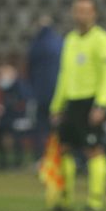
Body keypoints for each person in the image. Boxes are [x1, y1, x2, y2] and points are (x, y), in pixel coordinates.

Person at [49, 0, 106, 211]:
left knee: (93, 150)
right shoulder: (70, 39)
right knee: (64, 149)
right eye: (78, 10)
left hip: (91, 102)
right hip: (71, 101)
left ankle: (94, 203)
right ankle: (65, 202)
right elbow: (64, 74)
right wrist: (57, 105)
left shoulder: (102, 39)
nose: (82, 14)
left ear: (94, 14)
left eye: (86, 10)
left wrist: (101, 104)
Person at [27, 15, 64, 160]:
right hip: (59, 92)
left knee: (41, 128)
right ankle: (60, 157)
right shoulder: (60, 42)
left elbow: (30, 69)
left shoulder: (36, 44)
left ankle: (42, 158)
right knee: (59, 126)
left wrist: (33, 88)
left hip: (40, 93)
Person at [0, 64, 32, 170]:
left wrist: (6, 110)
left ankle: (18, 162)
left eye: (1, 75)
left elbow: (22, 105)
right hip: (10, 119)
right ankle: (3, 162)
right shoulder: (7, 89)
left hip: (21, 119)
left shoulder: (21, 87)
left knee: (16, 133)